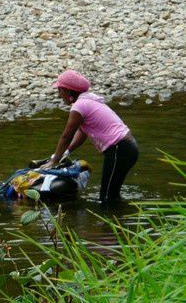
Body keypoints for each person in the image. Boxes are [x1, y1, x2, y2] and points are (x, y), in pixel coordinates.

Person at [42, 70, 139, 204]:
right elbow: (82, 133)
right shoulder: (88, 100)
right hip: (126, 148)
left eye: (60, 90)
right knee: (111, 194)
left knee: (106, 199)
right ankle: (120, 216)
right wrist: (67, 152)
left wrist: (54, 160)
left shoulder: (79, 106)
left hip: (119, 150)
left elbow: (66, 136)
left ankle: (112, 222)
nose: (59, 95)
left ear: (69, 91)